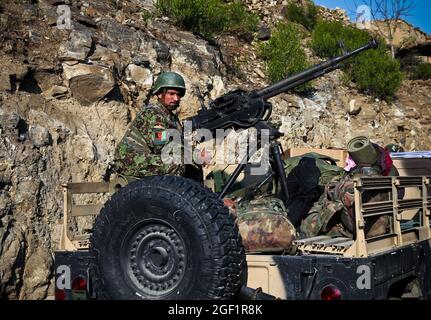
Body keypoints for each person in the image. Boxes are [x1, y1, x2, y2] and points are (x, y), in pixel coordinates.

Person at [111, 71, 187, 182]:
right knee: (176, 162)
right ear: (160, 94)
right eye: (171, 94)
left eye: (178, 95)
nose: (176, 98)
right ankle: (173, 197)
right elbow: (162, 146)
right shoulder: (152, 114)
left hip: (148, 158)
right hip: (130, 160)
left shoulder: (171, 117)